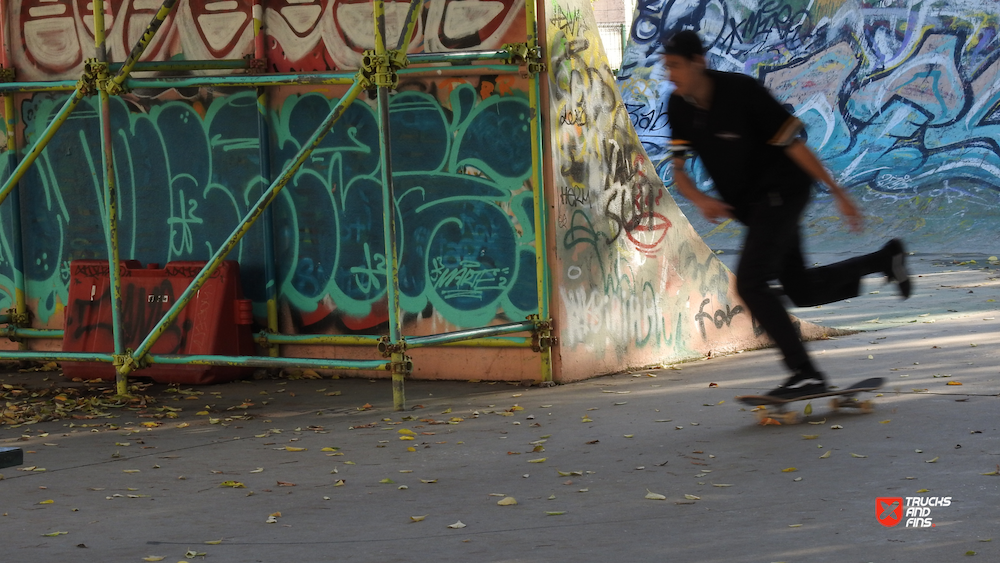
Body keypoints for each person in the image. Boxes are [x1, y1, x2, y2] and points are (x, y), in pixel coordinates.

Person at [663, 30, 911, 399]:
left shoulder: (742, 93)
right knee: (801, 289)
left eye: (677, 66)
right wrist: (701, 199)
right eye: (666, 67)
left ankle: (805, 373)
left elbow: (794, 146)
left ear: (699, 62)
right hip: (753, 207)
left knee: (751, 282)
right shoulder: (679, 107)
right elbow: (679, 173)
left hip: (784, 192)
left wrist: (838, 192)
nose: (671, 75)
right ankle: (885, 258)